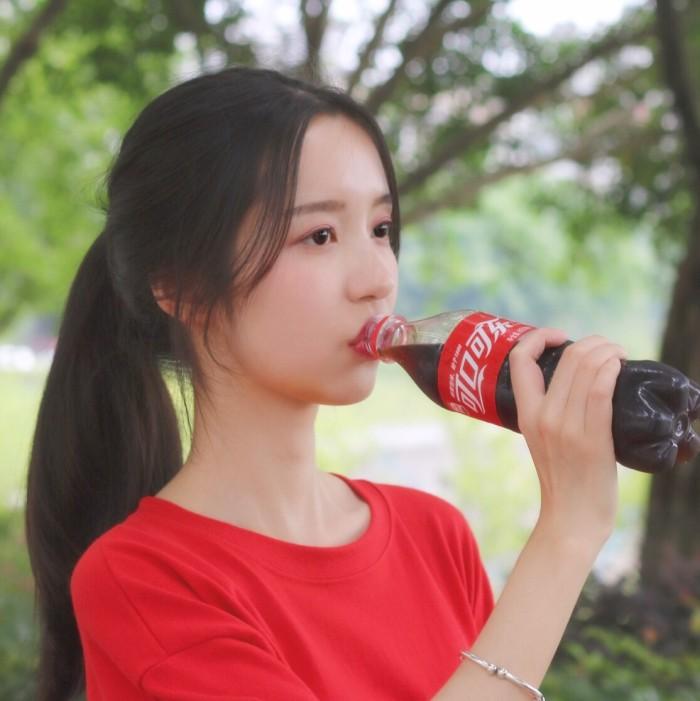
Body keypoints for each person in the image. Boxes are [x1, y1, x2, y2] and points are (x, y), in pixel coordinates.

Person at [25, 66, 627, 701]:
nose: (377, 279)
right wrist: (567, 535)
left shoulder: (435, 535)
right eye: (319, 235)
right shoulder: (143, 580)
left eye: (381, 229)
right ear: (183, 288)